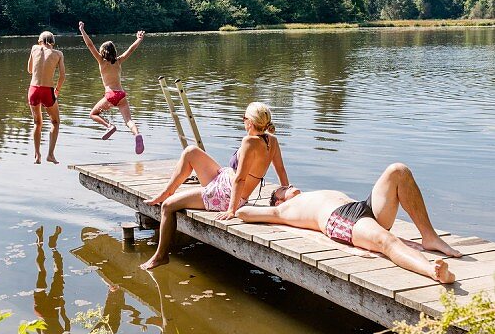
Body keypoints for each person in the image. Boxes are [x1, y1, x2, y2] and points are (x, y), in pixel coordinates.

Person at [236, 162, 461, 284]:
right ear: (278, 198)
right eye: (283, 189)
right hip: (340, 218)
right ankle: (431, 271)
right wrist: (237, 207)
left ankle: (429, 236)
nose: (288, 186)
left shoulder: (309, 194)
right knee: (386, 240)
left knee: (398, 171)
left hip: (362, 208)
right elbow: (244, 213)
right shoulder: (281, 210)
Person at [139, 102, 294, 270]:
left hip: (225, 195)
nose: (243, 122)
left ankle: (161, 256)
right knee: (191, 151)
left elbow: (240, 179)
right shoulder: (272, 141)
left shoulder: (249, 142)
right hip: (225, 179)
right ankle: (166, 191)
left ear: (250, 122)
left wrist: (231, 210)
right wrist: (286, 193)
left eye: (244, 118)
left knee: (168, 207)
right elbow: (281, 170)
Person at [78, 21, 146, 154]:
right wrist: (139, 39)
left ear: (102, 52)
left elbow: (90, 45)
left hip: (110, 95)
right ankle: (137, 134)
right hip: (121, 94)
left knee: (93, 114)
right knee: (129, 121)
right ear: (114, 51)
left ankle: (109, 126)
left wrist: (82, 30)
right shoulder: (119, 61)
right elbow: (131, 49)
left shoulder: (101, 61)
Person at [27, 31, 65, 164]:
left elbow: (30, 70)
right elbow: (62, 76)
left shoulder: (34, 48)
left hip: (33, 89)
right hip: (47, 90)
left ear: (39, 41)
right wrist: (57, 91)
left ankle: (37, 155)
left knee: (37, 123)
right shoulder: (58, 54)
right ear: (53, 43)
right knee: (55, 122)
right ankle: (50, 155)